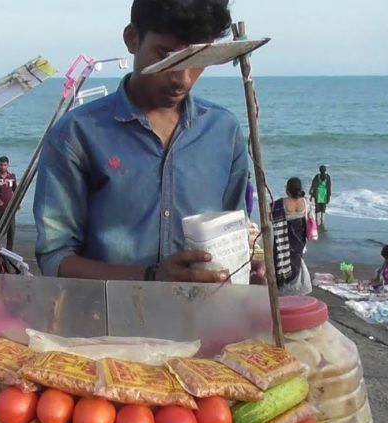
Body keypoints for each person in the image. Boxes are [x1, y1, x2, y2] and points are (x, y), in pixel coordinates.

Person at [34, 0, 259, 284]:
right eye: (165, 56)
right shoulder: (76, 135)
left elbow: (232, 235)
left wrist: (246, 266)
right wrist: (150, 278)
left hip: (201, 319)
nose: (182, 78)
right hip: (105, 321)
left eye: (197, 60)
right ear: (132, 39)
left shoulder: (224, 132)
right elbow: (55, 258)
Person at [272, 178, 312, 296]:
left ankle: (284, 290)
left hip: (284, 240)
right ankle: (298, 289)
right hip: (299, 239)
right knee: (297, 260)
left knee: (282, 261)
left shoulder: (280, 203)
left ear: (288, 189)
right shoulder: (306, 202)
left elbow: (271, 217)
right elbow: (309, 216)